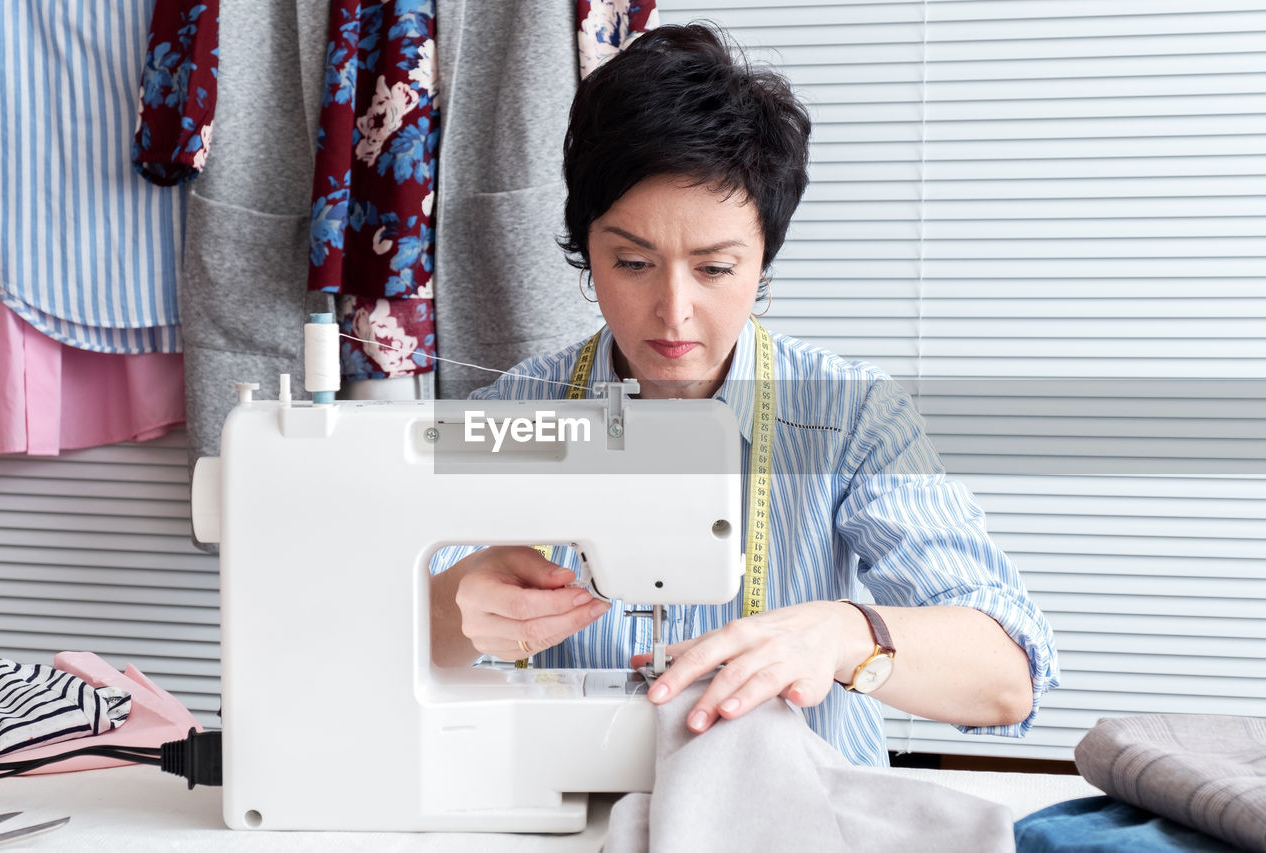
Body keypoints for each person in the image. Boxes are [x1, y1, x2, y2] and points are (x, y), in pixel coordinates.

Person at [429, 23, 1058, 767]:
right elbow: (369, 640)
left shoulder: (850, 416)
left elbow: (1009, 675)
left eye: (715, 268)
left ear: (764, 260)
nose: (673, 310)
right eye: (632, 261)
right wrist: (452, 609)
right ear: (585, 249)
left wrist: (840, 635)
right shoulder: (510, 413)